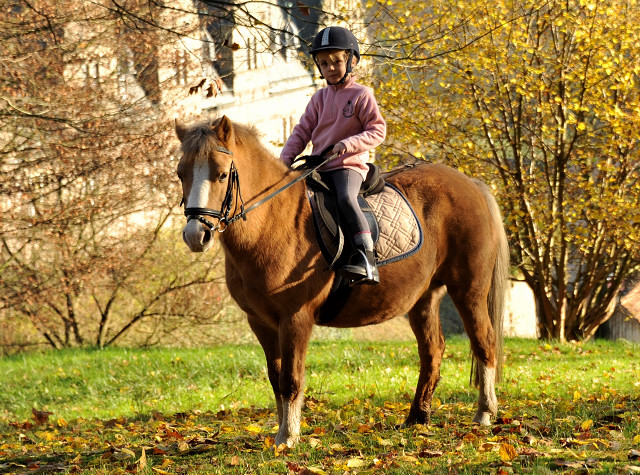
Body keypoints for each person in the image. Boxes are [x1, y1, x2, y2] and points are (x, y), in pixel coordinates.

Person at [280, 26, 386, 285]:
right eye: (323, 63)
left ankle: (366, 256)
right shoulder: (319, 98)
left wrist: (348, 144)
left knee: (345, 198)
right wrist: (283, 161)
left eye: (337, 61)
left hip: (348, 166)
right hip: (319, 167)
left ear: (352, 60)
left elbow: (378, 130)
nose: (330, 68)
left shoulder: (362, 95)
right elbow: (301, 132)